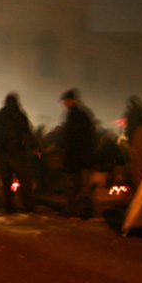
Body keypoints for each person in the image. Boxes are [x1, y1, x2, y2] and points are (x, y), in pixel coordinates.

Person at [0, 93, 37, 214]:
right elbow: (27, 132)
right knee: (24, 180)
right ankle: (27, 207)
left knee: (6, 181)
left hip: (3, 152)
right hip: (18, 152)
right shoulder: (19, 115)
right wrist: (34, 146)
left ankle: (9, 207)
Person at [60, 88, 96, 218]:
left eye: (66, 101)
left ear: (73, 101)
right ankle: (85, 211)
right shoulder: (83, 115)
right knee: (84, 187)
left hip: (76, 157)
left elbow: (72, 139)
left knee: (74, 186)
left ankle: (75, 210)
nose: (65, 104)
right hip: (84, 157)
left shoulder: (74, 117)